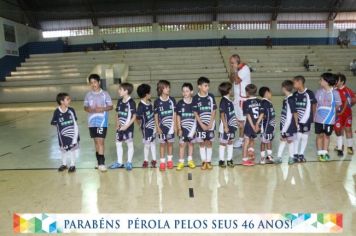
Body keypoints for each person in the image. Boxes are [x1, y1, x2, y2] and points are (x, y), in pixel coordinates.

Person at [84, 74, 113, 172]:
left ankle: (102, 163)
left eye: (95, 82)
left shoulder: (105, 94)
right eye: (91, 83)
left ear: (99, 82)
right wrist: (89, 109)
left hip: (102, 122)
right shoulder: (88, 95)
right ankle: (98, 162)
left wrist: (103, 108)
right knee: (96, 142)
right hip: (92, 122)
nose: (93, 84)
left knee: (101, 141)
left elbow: (111, 106)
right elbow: (85, 107)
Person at [315, 73, 341, 161]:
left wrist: (331, 113)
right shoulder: (318, 92)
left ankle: (325, 152)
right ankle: (320, 153)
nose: (319, 81)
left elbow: (338, 105)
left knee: (327, 135)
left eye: (321, 80)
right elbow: (315, 104)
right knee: (319, 135)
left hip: (329, 119)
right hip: (318, 119)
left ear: (327, 81)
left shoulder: (335, 93)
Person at [109, 83, 136, 171]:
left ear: (126, 91)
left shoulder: (131, 102)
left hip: (128, 128)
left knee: (129, 144)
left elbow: (134, 116)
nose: (118, 91)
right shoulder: (120, 101)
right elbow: (117, 113)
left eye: (120, 89)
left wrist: (126, 126)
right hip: (120, 127)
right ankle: (119, 162)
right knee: (118, 143)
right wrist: (117, 123)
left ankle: (129, 162)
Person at [51, 93, 79, 173]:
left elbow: (75, 122)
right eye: (68, 99)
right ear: (62, 101)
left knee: (72, 149)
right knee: (63, 149)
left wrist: (75, 135)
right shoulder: (57, 111)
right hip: (62, 135)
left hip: (72, 134)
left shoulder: (71, 110)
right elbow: (53, 122)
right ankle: (64, 164)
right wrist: (60, 128)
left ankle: (73, 165)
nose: (70, 100)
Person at [192, 77, 217, 170]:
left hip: (210, 124)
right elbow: (195, 112)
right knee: (202, 143)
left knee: (209, 142)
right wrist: (201, 124)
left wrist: (211, 123)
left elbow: (214, 110)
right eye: (205, 86)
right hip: (200, 125)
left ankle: (209, 161)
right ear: (199, 86)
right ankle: (203, 162)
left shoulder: (211, 96)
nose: (207, 87)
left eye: (208, 86)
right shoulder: (195, 98)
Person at [229, 54, 251, 149]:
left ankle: (243, 140)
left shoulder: (244, 68)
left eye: (232, 63)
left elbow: (237, 80)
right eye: (230, 63)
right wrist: (233, 70)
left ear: (237, 61)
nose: (231, 64)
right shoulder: (236, 69)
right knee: (239, 120)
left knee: (242, 120)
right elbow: (231, 80)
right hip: (237, 98)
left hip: (243, 99)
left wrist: (234, 71)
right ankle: (242, 139)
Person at [292, 75, 317, 162]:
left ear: (300, 82)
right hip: (297, 119)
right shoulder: (294, 94)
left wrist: (313, 116)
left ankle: (301, 154)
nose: (293, 84)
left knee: (304, 137)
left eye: (294, 82)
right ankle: (295, 154)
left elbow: (314, 104)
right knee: (297, 136)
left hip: (307, 119)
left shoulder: (309, 93)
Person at [154, 80, 176, 171]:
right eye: (166, 88)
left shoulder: (172, 100)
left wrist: (175, 125)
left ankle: (170, 161)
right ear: (161, 89)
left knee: (170, 144)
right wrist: (157, 127)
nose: (168, 89)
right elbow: (155, 115)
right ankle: (162, 162)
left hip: (171, 126)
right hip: (161, 127)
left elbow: (174, 113)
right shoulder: (157, 101)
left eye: (168, 87)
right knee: (162, 144)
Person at [276, 80, 299, 164]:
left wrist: (296, 124)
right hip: (285, 123)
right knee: (284, 140)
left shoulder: (291, 99)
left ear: (284, 88)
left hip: (289, 125)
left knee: (288, 140)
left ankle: (291, 157)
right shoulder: (286, 99)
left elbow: (293, 113)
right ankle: (279, 157)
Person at [176, 83, 197, 170]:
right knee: (182, 145)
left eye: (187, 91)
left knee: (191, 144)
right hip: (183, 128)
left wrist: (196, 129)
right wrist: (179, 128)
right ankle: (181, 162)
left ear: (191, 92)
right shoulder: (180, 103)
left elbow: (197, 116)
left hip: (192, 128)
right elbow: (178, 116)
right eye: (183, 91)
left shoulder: (195, 103)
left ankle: (190, 160)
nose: (185, 93)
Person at [334, 73, 356, 156]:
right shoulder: (334, 90)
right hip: (337, 114)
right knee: (338, 130)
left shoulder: (347, 90)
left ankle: (350, 147)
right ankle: (340, 145)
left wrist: (348, 107)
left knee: (348, 129)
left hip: (346, 114)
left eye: (337, 80)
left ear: (342, 81)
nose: (335, 81)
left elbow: (354, 99)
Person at [136, 84, 157, 168]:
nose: (150, 94)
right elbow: (137, 118)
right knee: (147, 144)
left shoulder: (150, 103)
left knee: (153, 143)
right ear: (146, 94)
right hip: (146, 129)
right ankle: (146, 160)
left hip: (153, 127)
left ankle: (154, 160)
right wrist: (141, 126)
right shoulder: (141, 106)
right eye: (150, 93)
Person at [218, 82, 238, 168]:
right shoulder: (223, 101)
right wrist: (225, 126)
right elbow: (222, 115)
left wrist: (236, 122)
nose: (232, 90)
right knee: (223, 143)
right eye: (231, 89)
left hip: (232, 126)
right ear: (228, 90)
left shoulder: (230, 101)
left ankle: (229, 159)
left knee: (230, 142)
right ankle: (221, 160)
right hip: (225, 127)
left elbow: (232, 114)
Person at [241, 84, 262, 166]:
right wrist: (257, 125)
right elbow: (262, 114)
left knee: (246, 142)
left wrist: (253, 126)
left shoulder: (246, 102)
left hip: (249, 126)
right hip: (258, 125)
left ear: (247, 92)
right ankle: (250, 155)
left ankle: (245, 159)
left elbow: (248, 115)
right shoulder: (260, 101)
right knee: (252, 139)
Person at [257, 87, 276, 164]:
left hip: (270, 126)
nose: (271, 94)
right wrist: (257, 123)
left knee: (269, 140)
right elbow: (262, 114)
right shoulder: (263, 103)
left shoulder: (269, 103)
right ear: (266, 92)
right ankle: (262, 157)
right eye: (270, 92)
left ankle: (269, 156)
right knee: (263, 142)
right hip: (265, 127)